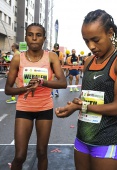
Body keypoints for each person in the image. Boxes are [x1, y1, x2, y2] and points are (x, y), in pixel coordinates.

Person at [55, 9, 117, 170]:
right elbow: (89, 97)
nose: (91, 46)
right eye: (86, 41)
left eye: (96, 40)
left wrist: (82, 106)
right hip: (82, 139)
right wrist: (74, 105)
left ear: (110, 33)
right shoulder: (89, 61)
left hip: (108, 140)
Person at [5, 23, 67, 170]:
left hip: (44, 108)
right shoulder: (17, 59)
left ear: (44, 38)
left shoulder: (51, 57)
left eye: (38, 35)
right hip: (24, 108)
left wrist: (41, 82)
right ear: (25, 38)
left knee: (41, 152)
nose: (34, 38)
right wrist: (25, 88)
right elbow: (8, 89)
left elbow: (63, 83)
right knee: (20, 156)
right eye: (30, 35)